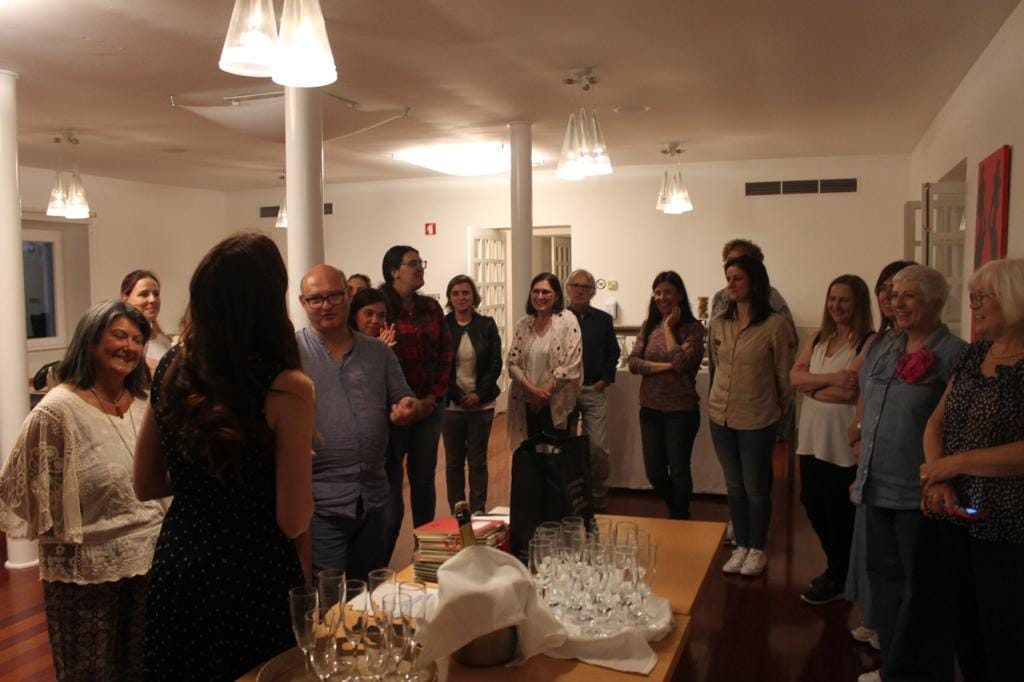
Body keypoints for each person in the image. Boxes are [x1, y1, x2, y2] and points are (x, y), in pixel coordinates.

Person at [134, 232, 315, 681]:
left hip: (180, 561)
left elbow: (146, 483)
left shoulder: (172, 365)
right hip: (251, 569)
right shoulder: (287, 387)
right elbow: (293, 519)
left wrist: (208, 477)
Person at [0, 301, 163, 680]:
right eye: (119, 335)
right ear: (90, 340)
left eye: (137, 340)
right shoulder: (57, 411)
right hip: (86, 571)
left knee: (140, 669)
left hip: (148, 559)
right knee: (89, 672)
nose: (129, 347)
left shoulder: (143, 403)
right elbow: (20, 486)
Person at [850, 264, 966, 682]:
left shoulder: (955, 354)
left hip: (918, 493)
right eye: (894, 295)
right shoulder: (886, 345)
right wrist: (859, 446)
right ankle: (894, 666)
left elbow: (957, 428)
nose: (896, 303)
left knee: (921, 592)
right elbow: (867, 398)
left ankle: (915, 672)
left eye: (908, 296)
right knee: (884, 582)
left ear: (936, 303)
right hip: (876, 485)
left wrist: (940, 478)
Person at [919, 258, 1024, 681]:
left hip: (1009, 525)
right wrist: (938, 479)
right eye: (973, 296)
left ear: (1015, 299)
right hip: (955, 513)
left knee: (1007, 636)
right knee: (964, 629)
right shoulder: (975, 353)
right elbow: (935, 423)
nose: (973, 305)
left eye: (983, 297)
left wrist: (952, 464)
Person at [298, 265, 424, 580]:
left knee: (366, 593)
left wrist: (409, 408)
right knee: (330, 597)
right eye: (315, 299)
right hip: (320, 504)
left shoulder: (378, 352)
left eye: (334, 296)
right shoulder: (292, 353)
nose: (325, 305)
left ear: (348, 295)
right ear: (303, 302)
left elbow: (406, 398)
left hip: (373, 498)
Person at [708, 255, 794, 577]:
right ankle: (741, 545)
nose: (730, 285)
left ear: (755, 282)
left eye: (737, 278)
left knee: (755, 487)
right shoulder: (720, 322)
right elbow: (716, 365)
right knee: (734, 486)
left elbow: (784, 376)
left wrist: (778, 411)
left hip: (757, 418)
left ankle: (757, 548)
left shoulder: (775, 326)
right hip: (721, 415)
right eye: (728, 278)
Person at [791, 275, 874, 604]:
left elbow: (850, 389)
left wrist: (811, 385)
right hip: (812, 435)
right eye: (832, 298)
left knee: (839, 511)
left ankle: (840, 574)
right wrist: (829, 380)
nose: (836, 306)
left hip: (841, 439)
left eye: (844, 300)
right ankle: (839, 567)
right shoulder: (818, 337)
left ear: (858, 303)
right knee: (812, 503)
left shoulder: (868, 341)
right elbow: (793, 378)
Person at [845, 259, 914, 651]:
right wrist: (857, 430)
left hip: (900, 468)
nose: (890, 297)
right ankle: (875, 617)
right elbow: (865, 390)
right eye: (884, 290)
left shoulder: (925, 344)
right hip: (871, 459)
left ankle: (892, 631)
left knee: (893, 559)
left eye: (899, 290)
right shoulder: (882, 341)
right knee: (872, 550)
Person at [381, 245, 452, 529]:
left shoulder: (431, 308)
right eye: (412, 263)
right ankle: (384, 545)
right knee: (391, 480)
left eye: (421, 262)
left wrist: (433, 397)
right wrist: (400, 403)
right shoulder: (381, 309)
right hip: (393, 411)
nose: (420, 267)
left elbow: (446, 353)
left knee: (423, 478)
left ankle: (424, 543)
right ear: (394, 271)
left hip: (429, 407)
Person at [627, 271, 705, 519]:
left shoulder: (693, 329)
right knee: (654, 472)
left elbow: (683, 365)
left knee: (679, 470)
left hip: (681, 411)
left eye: (668, 292)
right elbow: (633, 363)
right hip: (650, 409)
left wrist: (670, 328)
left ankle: (679, 517)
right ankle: (678, 509)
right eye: (658, 292)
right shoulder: (648, 326)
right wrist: (668, 365)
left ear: (679, 295)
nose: (662, 297)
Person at [348, 287, 404, 563]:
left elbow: (399, 391)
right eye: (368, 313)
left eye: (381, 315)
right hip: (354, 456)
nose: (375, 320)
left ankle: (380, 565)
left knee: (392, 510)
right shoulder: (345, 349)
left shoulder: (386, 351)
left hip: (388, 442)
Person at [442, 274, 503, 514]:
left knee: (478, 461)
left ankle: (478, 510)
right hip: (451, 406)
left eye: (465, 293)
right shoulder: (443, 326)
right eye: (456, 293)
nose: (461, 298)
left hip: (482, 405)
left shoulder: (486, 325)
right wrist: (457, 395)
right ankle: (458, 512)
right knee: (453, 463)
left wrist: (479, 394)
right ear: (449, 298)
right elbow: (439, 366)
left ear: (473, 296)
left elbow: (495, 364)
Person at [506, 272, 582, 449]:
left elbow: (571, 364)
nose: (540, 296)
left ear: (556, 296)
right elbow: (512, 362)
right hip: (526, 400)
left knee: (556, 456)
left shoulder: (568, 321)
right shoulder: (523, 324)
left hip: (556, 401)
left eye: (546, 292)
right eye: (536, 291)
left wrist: (543, 395)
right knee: (531, 455)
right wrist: (533, 392)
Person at [565, 269, 620, 513]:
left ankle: (597, 497)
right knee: (565, 447)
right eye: (575, 285)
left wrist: (605, 379)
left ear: (593, 292)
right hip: (564, 392)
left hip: (592, 389)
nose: (580, 290)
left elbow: (613, 352)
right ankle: (569, 496)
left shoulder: (603, 320)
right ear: (568, 289)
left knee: (598, 447)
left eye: (585, 287)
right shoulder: (558, 318)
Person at [121, 269, 174, 370]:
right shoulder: (120, 343)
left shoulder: (164, 341)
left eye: (156, 294)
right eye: (144, 294)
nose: (153, 299)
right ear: (125, 299)